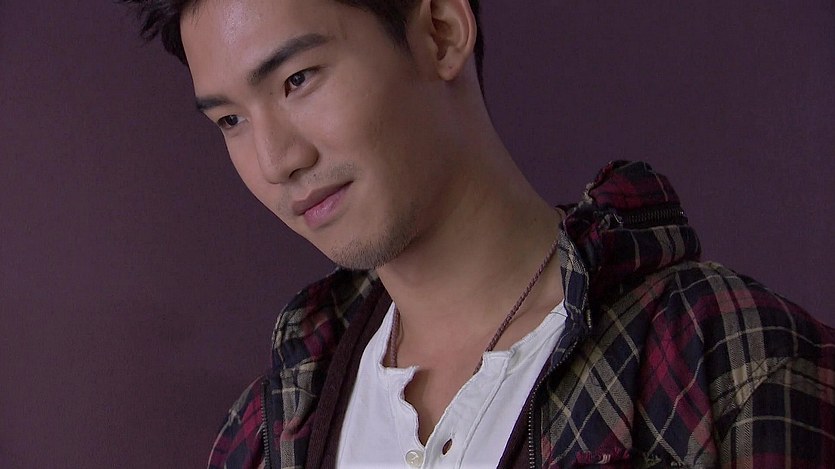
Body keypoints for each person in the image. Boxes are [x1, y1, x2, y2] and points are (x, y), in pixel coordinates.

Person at [122, 0, 835, 467]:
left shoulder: (724, 363)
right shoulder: (269, 428)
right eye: (230, 120)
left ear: (440, 32)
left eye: (298, 79)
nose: (276, 159)